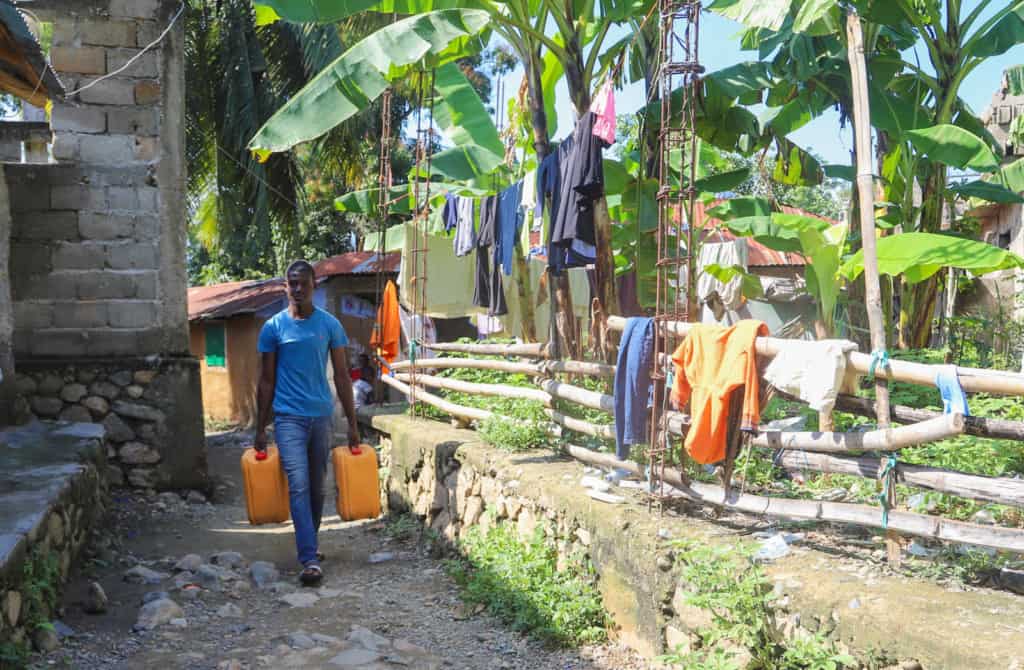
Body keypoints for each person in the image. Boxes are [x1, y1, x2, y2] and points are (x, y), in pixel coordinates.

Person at [255, 260, 359, 586]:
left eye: (303, 283)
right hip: (288, 419)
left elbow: (342, 377)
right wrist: (260, 427)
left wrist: (353, 425)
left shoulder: (330, 326)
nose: (298, 289)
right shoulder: (273, 328)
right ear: (285, 287)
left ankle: (309, 543)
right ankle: (309, 558)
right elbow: (266, 381)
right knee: (298, 484)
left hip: (321, 417)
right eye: (292, 283)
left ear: (314, 285)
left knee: (317, 488)